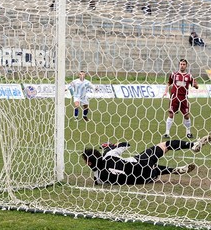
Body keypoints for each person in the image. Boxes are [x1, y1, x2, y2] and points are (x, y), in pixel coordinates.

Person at [82, 134, 211, 185]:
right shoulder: (109, 154)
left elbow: (98, 176)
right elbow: (126, 144)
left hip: (144, 179)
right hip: (142, 163)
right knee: (165, 145)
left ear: (88, 163)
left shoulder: (98, 177)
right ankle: (192, 145)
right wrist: (111, 146)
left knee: (150, 169)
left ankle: (174, 170)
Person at [163, 59, 199, 138]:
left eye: (184, 64)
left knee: (186, 115)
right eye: (181, 64)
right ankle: (167, 132)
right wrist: (165, 91)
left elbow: (196, 86)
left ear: (186, 66)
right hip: (175, 97)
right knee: (171, 114)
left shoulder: (189, 76)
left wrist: (196, 85)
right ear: (179, 65)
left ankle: (188, 132)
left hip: (184, 98)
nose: (182, 66)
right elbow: (169, 83)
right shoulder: (174, 74)